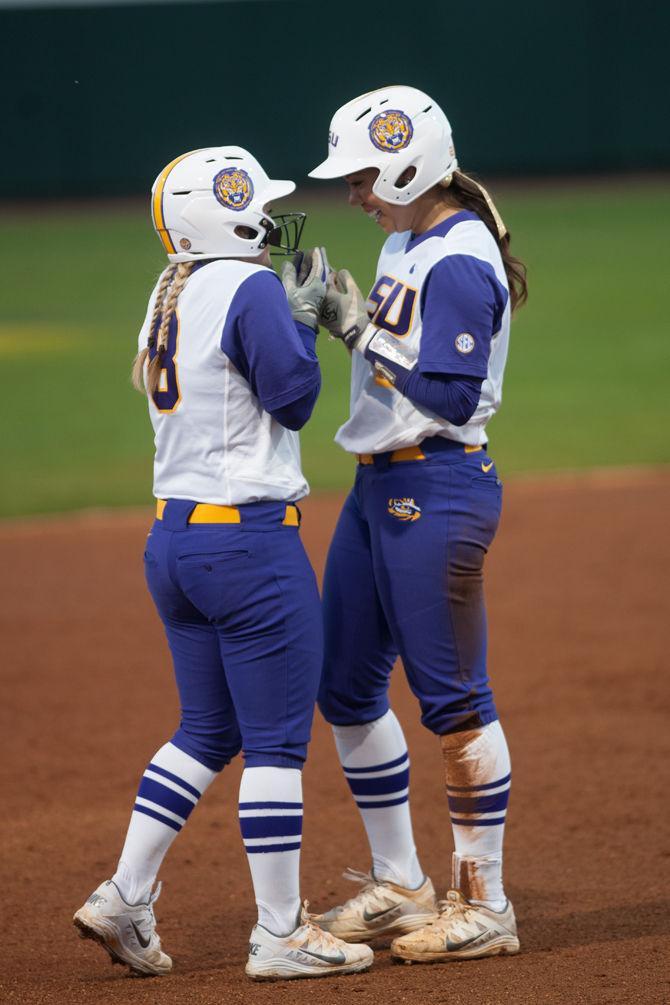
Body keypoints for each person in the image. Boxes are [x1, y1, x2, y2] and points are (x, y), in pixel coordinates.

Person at [72, 146, 373, 982]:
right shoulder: (245, 288)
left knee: (208, 729)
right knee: (276, 743)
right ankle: (279, 932)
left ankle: (127, 892)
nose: (273, 216)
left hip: (173, 541)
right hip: (247, 546)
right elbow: (297, 398)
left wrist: (290, 312)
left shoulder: (170, 292)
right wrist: (306, 317)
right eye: (259, 203)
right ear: (228, 213)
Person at [298, 85, 528, 963]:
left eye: (362, 178)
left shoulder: (462, 256)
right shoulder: (405, 239)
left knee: (456, 700)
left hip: (438, 487)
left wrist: (357, 331)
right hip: (376, 488)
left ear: (407, 164)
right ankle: (401, 882)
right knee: (347, 686)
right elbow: (394, 367)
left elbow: (450, 393)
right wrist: (340, 322)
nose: (354, 195)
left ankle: (487, 903)